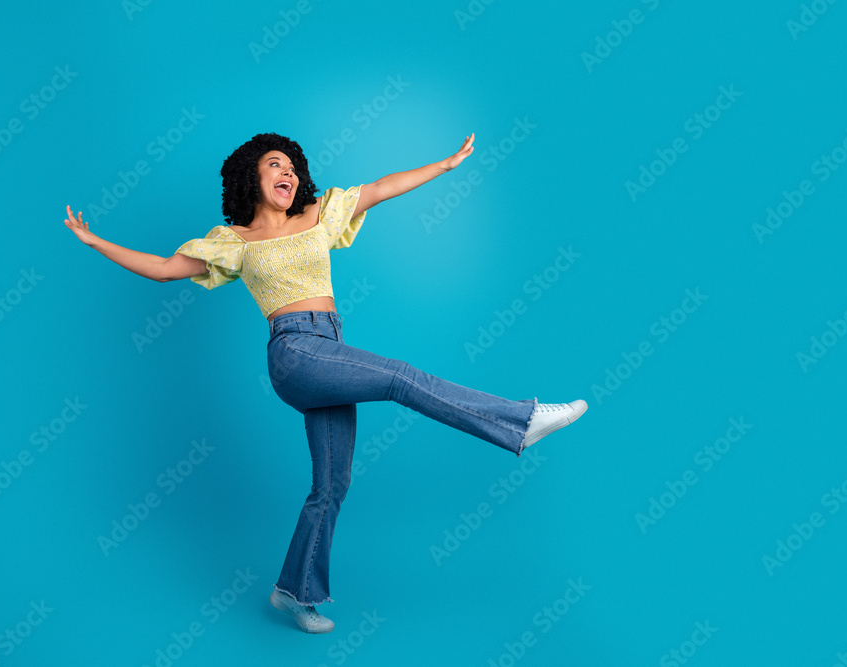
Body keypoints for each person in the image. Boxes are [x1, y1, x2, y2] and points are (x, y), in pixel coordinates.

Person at [62, 131, 587, 634]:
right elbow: (160, 267)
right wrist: (92, 240)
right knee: (402, 378)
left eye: (291, 167)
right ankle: (519, 422)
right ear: (253, 178)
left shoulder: (318, 215)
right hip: (294, 352)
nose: (287, 173)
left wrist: (445, 166)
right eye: (275, 166)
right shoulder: (236, 242)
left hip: (329, 350)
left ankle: (295, 591)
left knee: (332, 484)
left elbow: (381, 187)